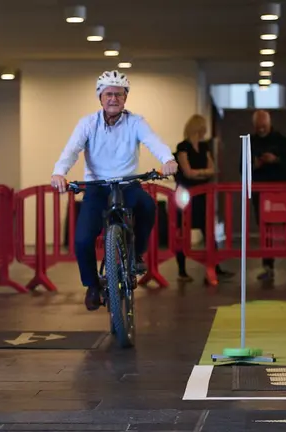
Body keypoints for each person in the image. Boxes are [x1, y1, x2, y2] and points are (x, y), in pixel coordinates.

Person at [51, 70, 178, 311]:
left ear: (125, 98)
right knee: (82, 239)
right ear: (100, 97)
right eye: (108, 94)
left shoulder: (136, 122)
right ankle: (91, 285)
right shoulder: (87, 124)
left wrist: (168, 160)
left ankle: (137, 254)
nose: (113, 99)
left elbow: (154, 142)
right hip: (97, 188)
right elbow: (71, 151)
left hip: (127, 184)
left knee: (148, 206)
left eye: (119, 95)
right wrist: (59, 172)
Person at [244, 110, 286, 281]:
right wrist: (255, 164)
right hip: (260, 190)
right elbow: (242, 168)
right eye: (258, 126)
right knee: (265, 229)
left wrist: (275, 160)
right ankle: (268, 267)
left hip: (280, 190)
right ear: (254, 126)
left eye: (264, 126)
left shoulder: (281, 140)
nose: (261, 129)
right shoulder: (249, 142)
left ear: (269, 124)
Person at [173, 114, 233, 282]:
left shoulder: (204, 146)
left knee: (208, 231)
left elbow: (212, 169)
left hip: (201, 195)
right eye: (204, 127)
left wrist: (197, 174)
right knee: (182, 232)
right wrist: (202, 174)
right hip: (185, 196)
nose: (205, 130)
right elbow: (187, 172)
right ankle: (182, 271)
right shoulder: (182, 147)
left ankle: (215, 267)